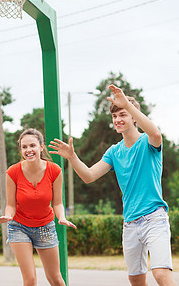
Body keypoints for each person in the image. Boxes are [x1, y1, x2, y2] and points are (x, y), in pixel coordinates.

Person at [49, 85, 176, 286]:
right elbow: (89, 175)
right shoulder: (114, 152)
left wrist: (127, 104)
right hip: (130, 223)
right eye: (114, 117)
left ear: (134, 117)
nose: (117, 120)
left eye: (123, 114)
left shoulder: (148, 142)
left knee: (160, 274)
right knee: (136, 280)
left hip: (154, 218)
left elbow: (156, 134)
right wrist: (72, 157)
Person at [0, 128, 76, 286]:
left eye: (32, 145)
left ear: (41, 147)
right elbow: (10, 205)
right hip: (19, 226)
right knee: (30, 279)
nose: (28, 150)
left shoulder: (54, 171)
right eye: (24, 147)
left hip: (45, 226)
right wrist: (8, 216)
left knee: (56, 279)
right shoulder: (13, 172)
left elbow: (57, 203)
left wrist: (62, 217)